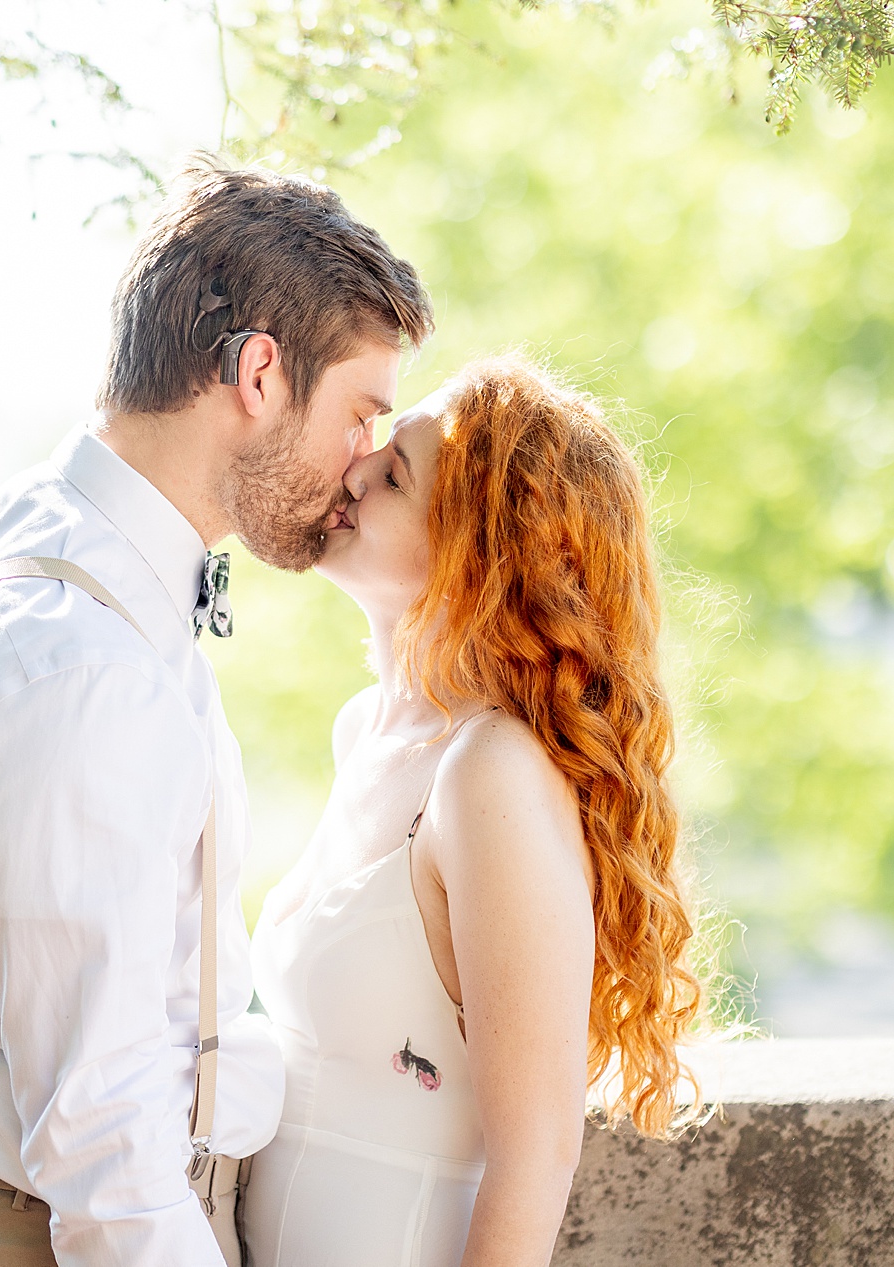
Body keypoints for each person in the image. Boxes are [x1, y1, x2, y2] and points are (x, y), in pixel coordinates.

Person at [0, 158, 432, 1267]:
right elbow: (107, 1157)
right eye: (362, 411)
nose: (364, 458)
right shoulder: (79, 667)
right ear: (258, 374)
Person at [243, 356, 706, 1267]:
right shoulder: (362, 732)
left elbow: (536, 1160)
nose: (352, 475)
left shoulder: (489, 771)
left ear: (477, 552)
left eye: (393, 476)